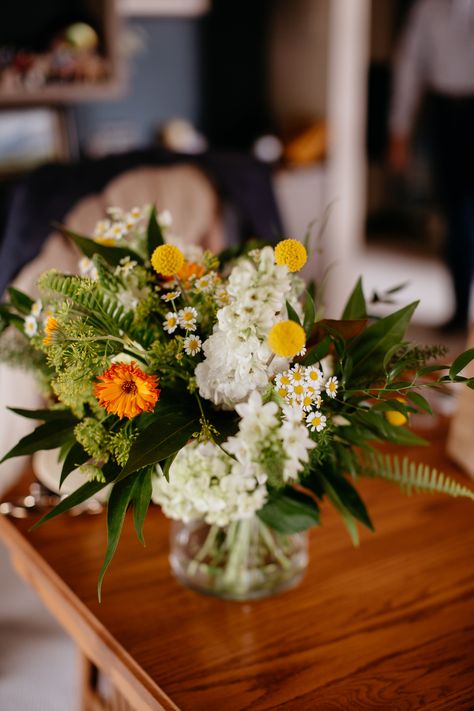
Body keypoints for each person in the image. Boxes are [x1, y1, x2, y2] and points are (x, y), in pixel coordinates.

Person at [388, 0, 474, 331]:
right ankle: (459, 310)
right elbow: (409, 64)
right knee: (455, 213)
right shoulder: (427, 9)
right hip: (445, 114)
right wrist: (400, 130)